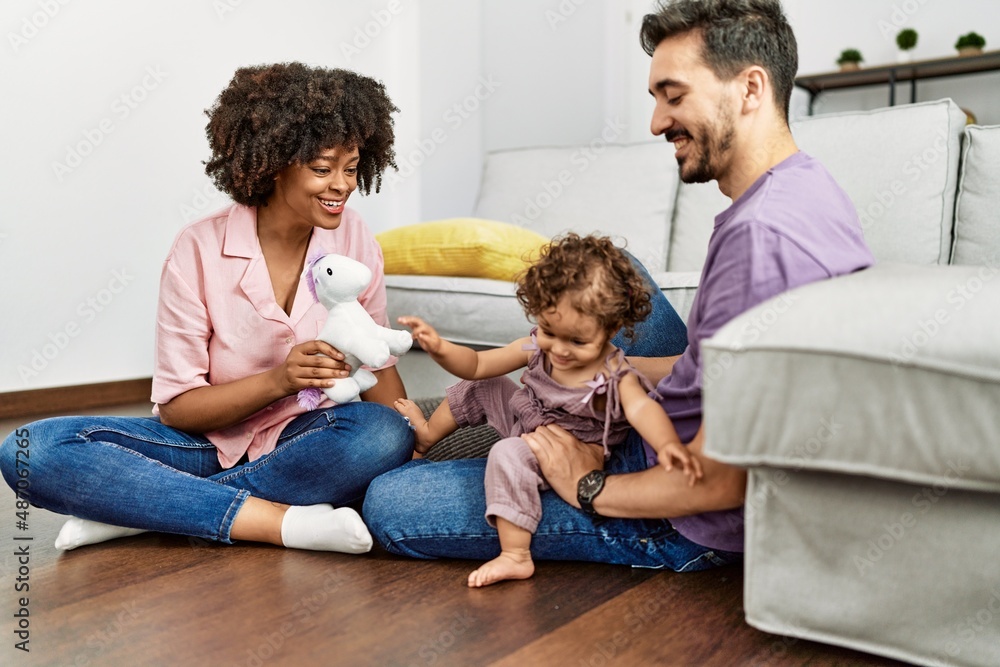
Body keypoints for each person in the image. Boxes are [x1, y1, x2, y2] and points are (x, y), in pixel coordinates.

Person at [362, 0, 875, 571]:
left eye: (674, 96)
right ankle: (534, 419)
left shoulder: (761, 241)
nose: (657, 122)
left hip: (687, 516)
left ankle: (523, 445)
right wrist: (606, 372)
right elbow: (716, 367)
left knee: (389, 504)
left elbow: (719, 484)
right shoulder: (805, 185)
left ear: (750, 89)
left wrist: (588, 485)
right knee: (612, 267)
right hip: (663, 422)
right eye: (655, 99)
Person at [0, 63, 413, 554]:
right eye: (323, 169)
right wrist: (280, 380)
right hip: (203, 444)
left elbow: (377, 362)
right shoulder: (198, 249)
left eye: (351, 167)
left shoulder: (354, 235)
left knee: (382, 435)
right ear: (277, 162)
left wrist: (412, 438)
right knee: (30, 450)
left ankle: (144, 512)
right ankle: (275, 521)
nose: (342, 185)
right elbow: (178, 409)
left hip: (308, 438)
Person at [393, 234, 702, 587]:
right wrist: (441, 348)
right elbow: (478, 364)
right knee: (483, 386)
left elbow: (642, 410)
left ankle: (515, 554)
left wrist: (668, 446)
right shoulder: (536, 344)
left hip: (561, 452)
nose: (560, 350)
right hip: (526, 419)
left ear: (611, 329)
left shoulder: (614, 372)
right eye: (550, 332)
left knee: (506, 453)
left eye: (577, 341)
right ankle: (427, 437)